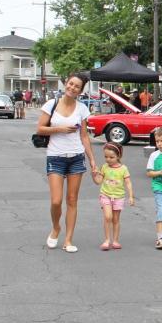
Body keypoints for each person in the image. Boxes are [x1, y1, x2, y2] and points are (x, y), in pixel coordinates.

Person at [37, 72, 98, 253]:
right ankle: (56, 228)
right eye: (71, 84)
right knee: (56, 201)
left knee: (72, 200)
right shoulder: (51, 104)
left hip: (76, 157)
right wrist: (61, 129)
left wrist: (92, 160)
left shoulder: (82, 109)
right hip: (55, 157)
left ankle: (69, 240)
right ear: (66, 83)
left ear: (80, 91)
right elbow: (40, 129)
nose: (72, 88)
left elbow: (84, 136)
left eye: (77, 86)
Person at [92, 141, 134, 251]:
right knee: (108, 217)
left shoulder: (123, 168)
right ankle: (107, 240)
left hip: (119, 197)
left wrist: (131, 196)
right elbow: (99, 181)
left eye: (111, 157)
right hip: (105, 195)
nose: (108, 159)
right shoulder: (104, 167)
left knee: (115, 219)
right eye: (106, 157)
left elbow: (128, 183)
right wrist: (94, 175)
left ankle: (115, 240)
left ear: (119, 156)